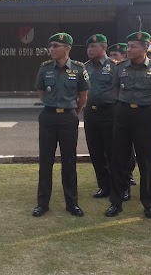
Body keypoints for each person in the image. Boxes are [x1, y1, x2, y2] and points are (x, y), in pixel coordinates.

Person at [105, 31, 151, 219]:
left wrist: (145, 104)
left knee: (146, 160)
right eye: (128, 46)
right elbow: (114, 89)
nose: (128, 49)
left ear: (145, 48)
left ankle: (148, 203)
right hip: (122, 113)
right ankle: (117, 201)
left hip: (144, 115)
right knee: (119, 159)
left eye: (132, 46)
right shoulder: (120, 67)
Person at [32, 33, 89, 217]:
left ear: (67, 48)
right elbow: (40, 91)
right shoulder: (45, 68)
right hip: (48, 116)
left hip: (68, 118)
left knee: (69, 161)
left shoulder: (79, 69)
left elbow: (83, 96)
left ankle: (72, 203)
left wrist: (71, 112)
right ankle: (42, 203)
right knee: (45, 161)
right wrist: (52, 105)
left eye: (56, 45)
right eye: (51, 46)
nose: (52, 49)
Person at [84, 34, 115, 198]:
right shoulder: (84, 67)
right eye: (88, 47)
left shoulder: (115, 66)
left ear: (103, 48)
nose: (89, 50)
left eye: (93, 47)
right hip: (90, 113)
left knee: (113, 151)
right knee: (95, 151)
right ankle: (103, 186)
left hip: (109, 112)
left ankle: (118, 186)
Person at [108, 42, 137, 188]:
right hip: (109, 109)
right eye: (111, 55)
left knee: (128, 146)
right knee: (113, 145)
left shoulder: (127, 69)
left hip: (123, 109)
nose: (113, 58)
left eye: (116, 55)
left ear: (124, 56)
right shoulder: (108, 69)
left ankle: (129, 174)